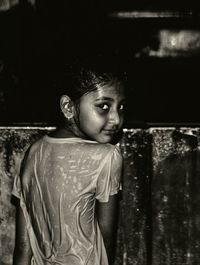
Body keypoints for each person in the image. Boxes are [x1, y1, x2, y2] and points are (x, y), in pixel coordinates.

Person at [12, 57, 126, 265]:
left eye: (120, 107)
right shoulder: (107, 156)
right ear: (68, 107)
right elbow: (106, 243)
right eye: (103, 106)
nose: (116, 119)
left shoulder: (33, 152)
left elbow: (22, 249)